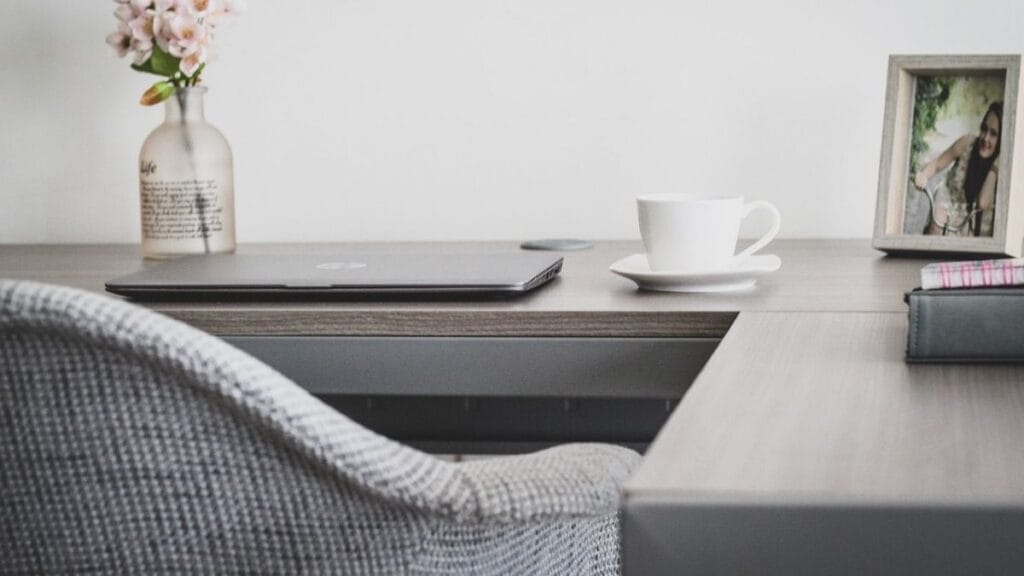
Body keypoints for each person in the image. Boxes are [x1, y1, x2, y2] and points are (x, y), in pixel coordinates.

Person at [914, 101, 1002, 236]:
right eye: (984, 129)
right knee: (935, 232)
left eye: (994, 134)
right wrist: (923, 175)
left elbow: (983, 202)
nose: (985, 138)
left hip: (973, 234)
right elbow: (937, 164)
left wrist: (997, 164)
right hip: (946, 215)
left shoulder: (1003, 169)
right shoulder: (967, 143)